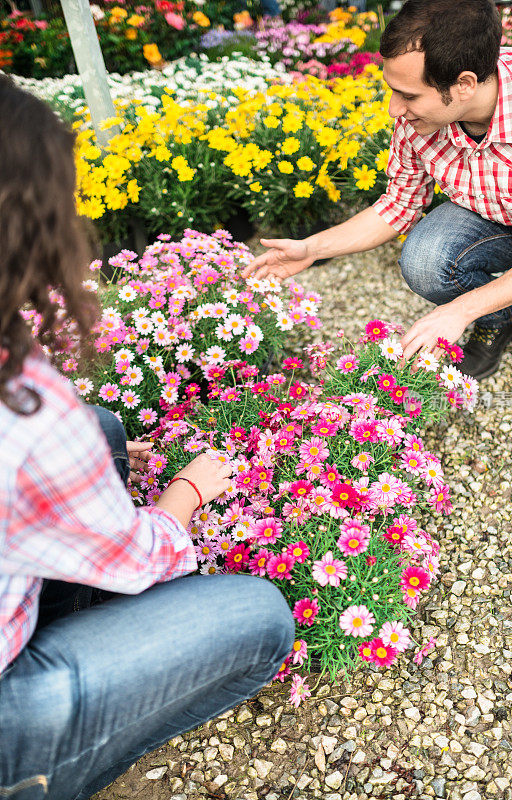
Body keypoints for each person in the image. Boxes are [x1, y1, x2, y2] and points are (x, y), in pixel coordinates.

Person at [0, 75, 294, 800]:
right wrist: (186, 492)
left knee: (102, 429)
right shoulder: (28, 406)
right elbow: (139, 561)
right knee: (259, 617)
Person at [243, 0, 512, 414]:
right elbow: (398, 204)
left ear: (464, 84)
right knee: (424, 257)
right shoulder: (421, 116)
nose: (394, 109)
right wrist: (312, 248)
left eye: (408, 95)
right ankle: (501, 319)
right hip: (502, 217)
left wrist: (458, 310)